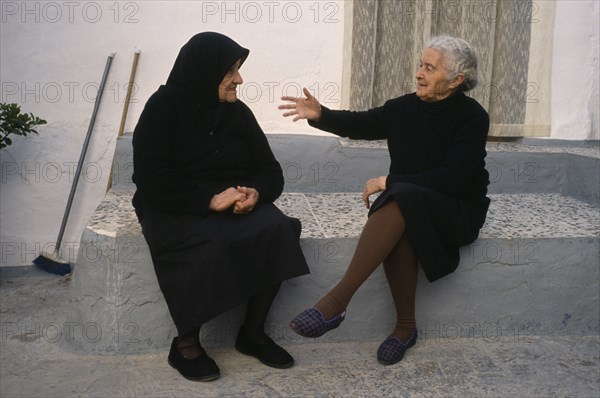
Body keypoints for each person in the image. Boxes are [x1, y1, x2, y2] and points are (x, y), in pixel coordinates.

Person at [279, 36, 490, 365]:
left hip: (456, 208)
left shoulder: (472, 118)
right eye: (420, 65)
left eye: (430, 68)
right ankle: (405, 329)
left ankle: (336, 303)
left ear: (456, 80)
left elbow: (453, 179)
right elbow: (362, 123)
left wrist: (389, 181)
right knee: (403, 208)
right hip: (410, 204)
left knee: (400, 194)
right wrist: (321, 115)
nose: (419, 73)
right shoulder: (405, 107)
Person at [132, 32, 309, 381]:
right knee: (209, 244)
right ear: (204, 71)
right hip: (174, 204)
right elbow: (151, 178)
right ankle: (185, 344)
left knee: (278, 228)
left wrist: (256, 193)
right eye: (230, 71)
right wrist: (209, 200)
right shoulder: (163, 108)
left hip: (232, 200)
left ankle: (252, 334)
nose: (239, 79)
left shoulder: (237, 112)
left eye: (238, 70)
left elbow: (269, 170)